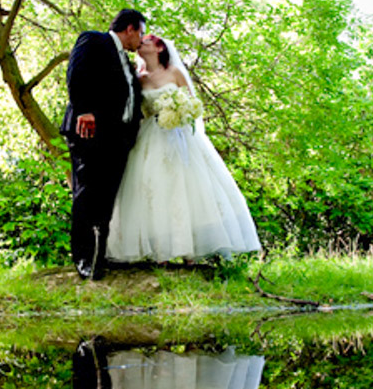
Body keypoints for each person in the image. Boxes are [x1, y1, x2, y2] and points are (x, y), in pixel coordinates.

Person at [107, 35, 261, 262]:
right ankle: (161, 253)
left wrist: (180, 112)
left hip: (178, 137)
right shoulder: (138, 79)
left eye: (146, 41)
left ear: (159, 47)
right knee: (154, 190)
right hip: (150, 137)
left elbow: (193, 105)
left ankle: (190, 252)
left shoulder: (175, 73)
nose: (140, 43)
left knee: (184, 189)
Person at [61, 9, 145, 280]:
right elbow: (76, 74)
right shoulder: (94, 40)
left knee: (106, 199)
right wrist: (84, 110)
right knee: (87, 194)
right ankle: (83, 259)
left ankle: (100, 255)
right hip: (89, 132)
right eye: (140, 33)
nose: (140, 40)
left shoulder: (127, 63)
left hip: (117, 139)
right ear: (129, 29)